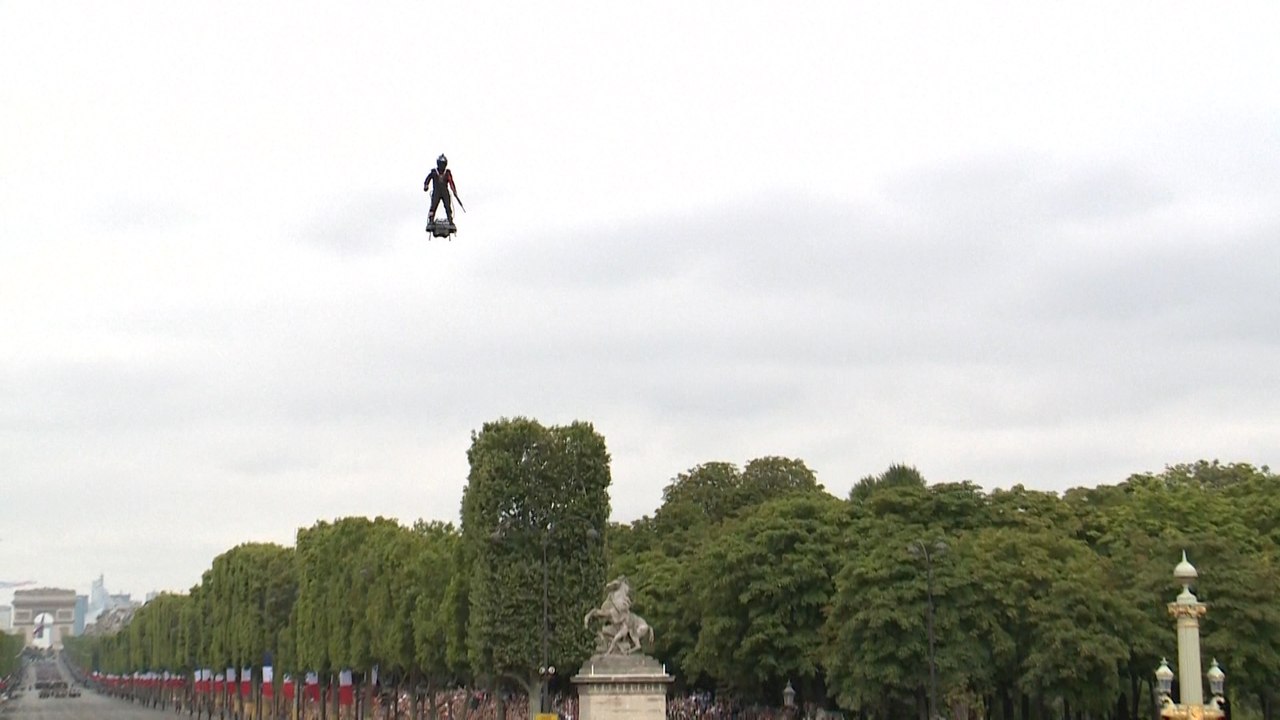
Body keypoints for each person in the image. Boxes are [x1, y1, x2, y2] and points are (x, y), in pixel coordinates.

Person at [424, 154, 458, 226]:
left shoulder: (447, 173)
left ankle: (450, 220)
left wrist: (454, 191)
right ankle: (431, 220)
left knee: (447, 206)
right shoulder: (434, 172)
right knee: (433, 206)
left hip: (444, 192)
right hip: (436, 192)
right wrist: (426, 185)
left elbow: (451, 182)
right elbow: (428, 178)